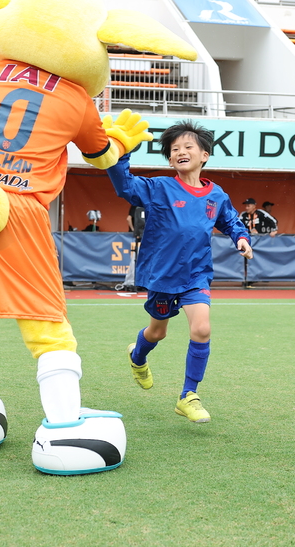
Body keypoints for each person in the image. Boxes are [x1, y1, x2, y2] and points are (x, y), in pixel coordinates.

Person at [110, 120, 252, 423]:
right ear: (170, 159)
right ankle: (138, 356)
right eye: (174, 149)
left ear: (204, 155)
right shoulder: (159, 187)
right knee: (157, 332)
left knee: (202, 329)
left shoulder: (216, 195)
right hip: (162, 276)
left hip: (196, 275)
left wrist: (241, 238)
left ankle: (188, 395)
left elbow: (230, 220)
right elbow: (125, 186)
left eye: (188, 146)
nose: (180, 152)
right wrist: (121, 154)